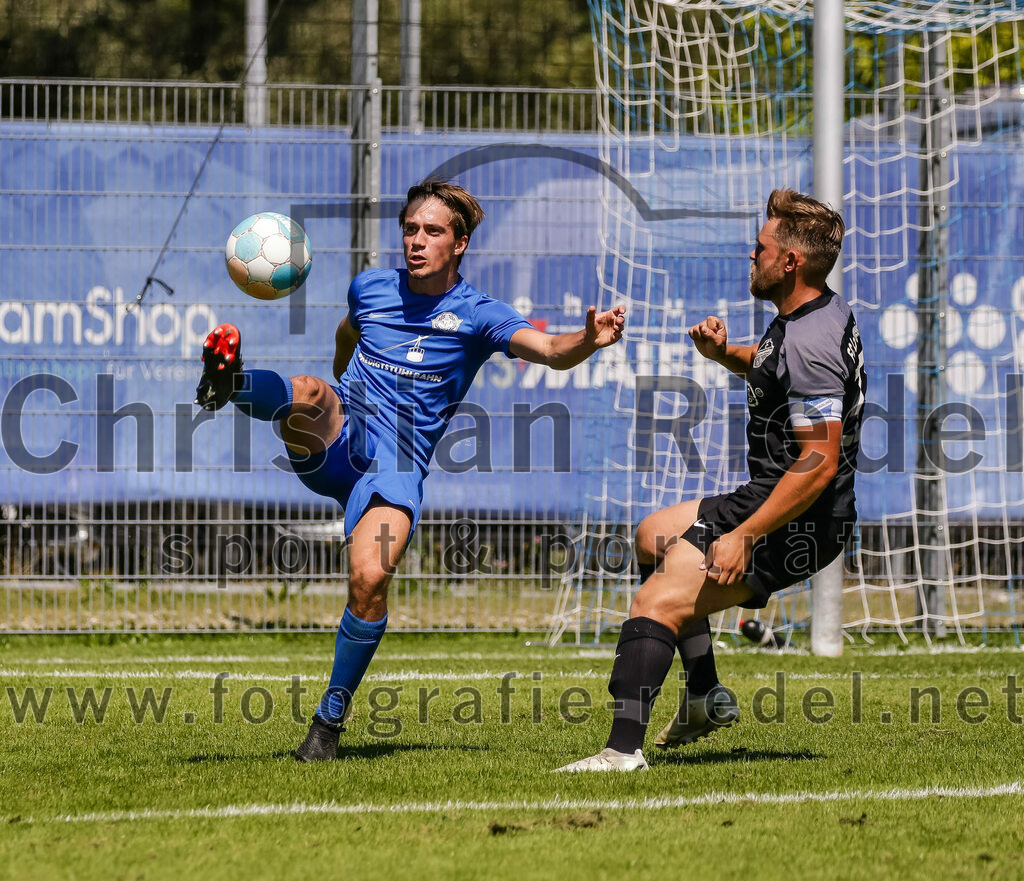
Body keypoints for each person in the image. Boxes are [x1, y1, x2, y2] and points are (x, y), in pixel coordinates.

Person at [195, 179, 626, 762]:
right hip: (341, 438)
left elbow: (548, 351)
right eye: (410, 230)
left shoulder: (478, 314)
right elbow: (347, 337)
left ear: (461, 243)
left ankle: (327, 726)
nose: (417, 242)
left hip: (397, 467)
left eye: (433, 231)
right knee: (312, 393)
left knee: (370, 580)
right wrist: (346, 381)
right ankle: (232, 383)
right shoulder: (370, 288)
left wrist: (589, 340)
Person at [554, 188, 865, 772]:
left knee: (654, 602)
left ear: (790, 262)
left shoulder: (812, 338)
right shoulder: (814, 312)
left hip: (802, 515)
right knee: (652, 536)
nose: (752, 256)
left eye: (760, 248)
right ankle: (704, 695)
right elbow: (780, 366)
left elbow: (818, 463)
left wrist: (745, 534)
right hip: (773, 492)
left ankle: (622, 752)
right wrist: (725, 355)